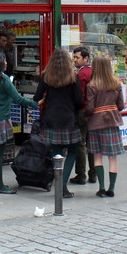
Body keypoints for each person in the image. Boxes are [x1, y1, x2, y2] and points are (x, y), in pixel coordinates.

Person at [0, 52, 37, 194]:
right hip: (1, 118)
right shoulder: (3, 80)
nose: (6, 63)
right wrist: (34, 104)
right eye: (4, 61)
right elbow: (18, 98)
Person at [33, 48, 83, 198]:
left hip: (51, 119)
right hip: (68, 119)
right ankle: (62, 185)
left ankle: (58, 182)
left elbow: (37, 97)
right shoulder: (73, 76)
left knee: (56, 153)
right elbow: (79, 100)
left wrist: (46, 100)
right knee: (73, 151)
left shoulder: (46, 76)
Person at [85, 55, 125, 198]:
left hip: (96, 123)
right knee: (113, 158)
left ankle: (101, 188)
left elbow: (89, 107)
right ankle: (111, 189)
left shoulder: (92, 85)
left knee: (97, 156)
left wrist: (86, 116)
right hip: (112, 122)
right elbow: (121, 105)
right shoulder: (116, 83)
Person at [69, 46, 96, 185]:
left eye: (77, 57)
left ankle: (81, 174)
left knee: (81, 143)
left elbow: (79, 96)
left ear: (86, 58)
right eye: (74, 57)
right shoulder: (93, 72)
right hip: (93, 111)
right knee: (92, 143)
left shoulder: (82, 74)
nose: (74, 60)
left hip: (82, 111)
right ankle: (93, 174)